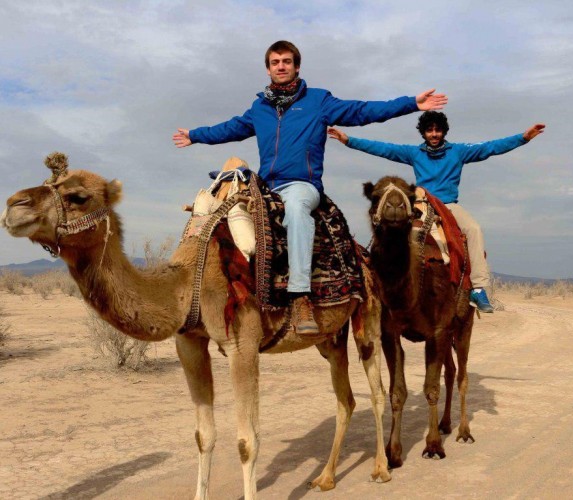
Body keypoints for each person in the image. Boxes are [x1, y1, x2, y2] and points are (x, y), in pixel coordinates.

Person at [173, 40, 448, 334]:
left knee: (296, 209)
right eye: (275, 62)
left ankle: (300, 295)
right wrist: (195, 135)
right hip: (266, 186)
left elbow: (362, 111)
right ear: (268, 69)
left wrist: (411, 104)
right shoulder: (259, 108)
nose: (281, 66)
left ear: (297, 66)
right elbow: (230, 128)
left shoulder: (318, 101)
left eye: (286, 61)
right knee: (221, 210)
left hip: (302, 185)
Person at [328, 112, 545, 313]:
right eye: (429, 130)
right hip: (421, 203)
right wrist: (349, 140)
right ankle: (379, 282)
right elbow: (383, 148)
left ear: (444, 131)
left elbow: (490, 147)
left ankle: (478, 289)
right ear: (423, 132)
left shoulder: (458, 151)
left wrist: (523, 138)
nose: (434, 134)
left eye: (437, 130)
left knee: (474, 229)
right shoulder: (414, 153)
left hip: (448, 204)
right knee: (391, 228)